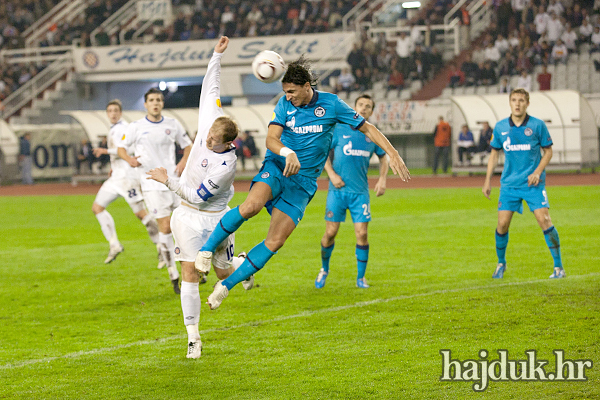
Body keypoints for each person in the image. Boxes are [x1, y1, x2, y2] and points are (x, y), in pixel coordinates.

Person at [196, 55, 410, 310]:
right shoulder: (285, 106)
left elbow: (368, 128)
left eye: (292, 91)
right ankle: (206, 250)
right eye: (285, 91)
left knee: (275, 241)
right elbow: (271, 140)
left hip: (303, 184)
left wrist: (393, 153)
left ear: (307, 86)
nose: (288, 96)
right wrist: (288, 153)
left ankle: (226, 286)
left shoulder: (331, 104)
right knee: (251, 206)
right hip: (277, 168)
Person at [146, 37, 252, 359]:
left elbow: (198, 195)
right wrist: (216, 56)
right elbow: (211, 88)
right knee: (190, 272)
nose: (205, 141)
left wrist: (168, 181)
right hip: (187, 217)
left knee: (223, 274)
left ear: (227, 144)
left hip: (216, 218)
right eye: (206, 136)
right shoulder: (210, 122)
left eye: (213, 141)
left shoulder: (225, 166)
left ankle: (242, 263)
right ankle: (193, 337)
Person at [482, 88, 565, 280]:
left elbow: (548, 152)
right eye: (514, 100)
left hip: (533, 184)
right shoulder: (501, 127)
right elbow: (494, 154)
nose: (517, 103)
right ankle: (501, 263)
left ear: (527, 103)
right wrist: (487, 180)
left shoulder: (537, 126)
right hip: (509, 185)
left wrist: (537, 172)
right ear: (509, 103)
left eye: (521, 100)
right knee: (502, 224)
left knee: (544, 220)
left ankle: (558, 267)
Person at [118, 87, 193, 294]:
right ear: (145, 104)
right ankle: (173, 274)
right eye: (151, 100)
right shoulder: (136, 127)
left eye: (158, 100)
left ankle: (189, 268)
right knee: (166, 226)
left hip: (173, 181)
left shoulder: (173, 123)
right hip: (151, 184)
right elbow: (121, 148)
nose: (155, 103)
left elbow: (188, 145)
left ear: (162, 103)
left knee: (185, 225)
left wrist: (184, 161)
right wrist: (129, 159)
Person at [315, 94, 389, 289]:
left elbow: (384, 157)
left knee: (362, 234)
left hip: (360, 193)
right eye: (361, 105)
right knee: (330, 233)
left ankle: (360, 278)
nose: (364, 108)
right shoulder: (338, 130)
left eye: (368, 106)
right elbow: (322, 153)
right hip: (337, 192)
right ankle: (324, 269)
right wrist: (331, 174)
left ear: (372, 111)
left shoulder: (372, 134)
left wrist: (382, 179)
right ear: (354, 107)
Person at [91, 99, 161, 265]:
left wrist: (105, 151)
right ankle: (114, 244)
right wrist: (114, 165)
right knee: (97, 208)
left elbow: (127, 150)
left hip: (128, 178)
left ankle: (161, 245)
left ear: (120, 113)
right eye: (110, 111)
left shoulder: (123, 128)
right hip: (116, 178)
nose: (113, 114)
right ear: (107, 114)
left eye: (116, 111)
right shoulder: (115, 129)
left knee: (141, 214)